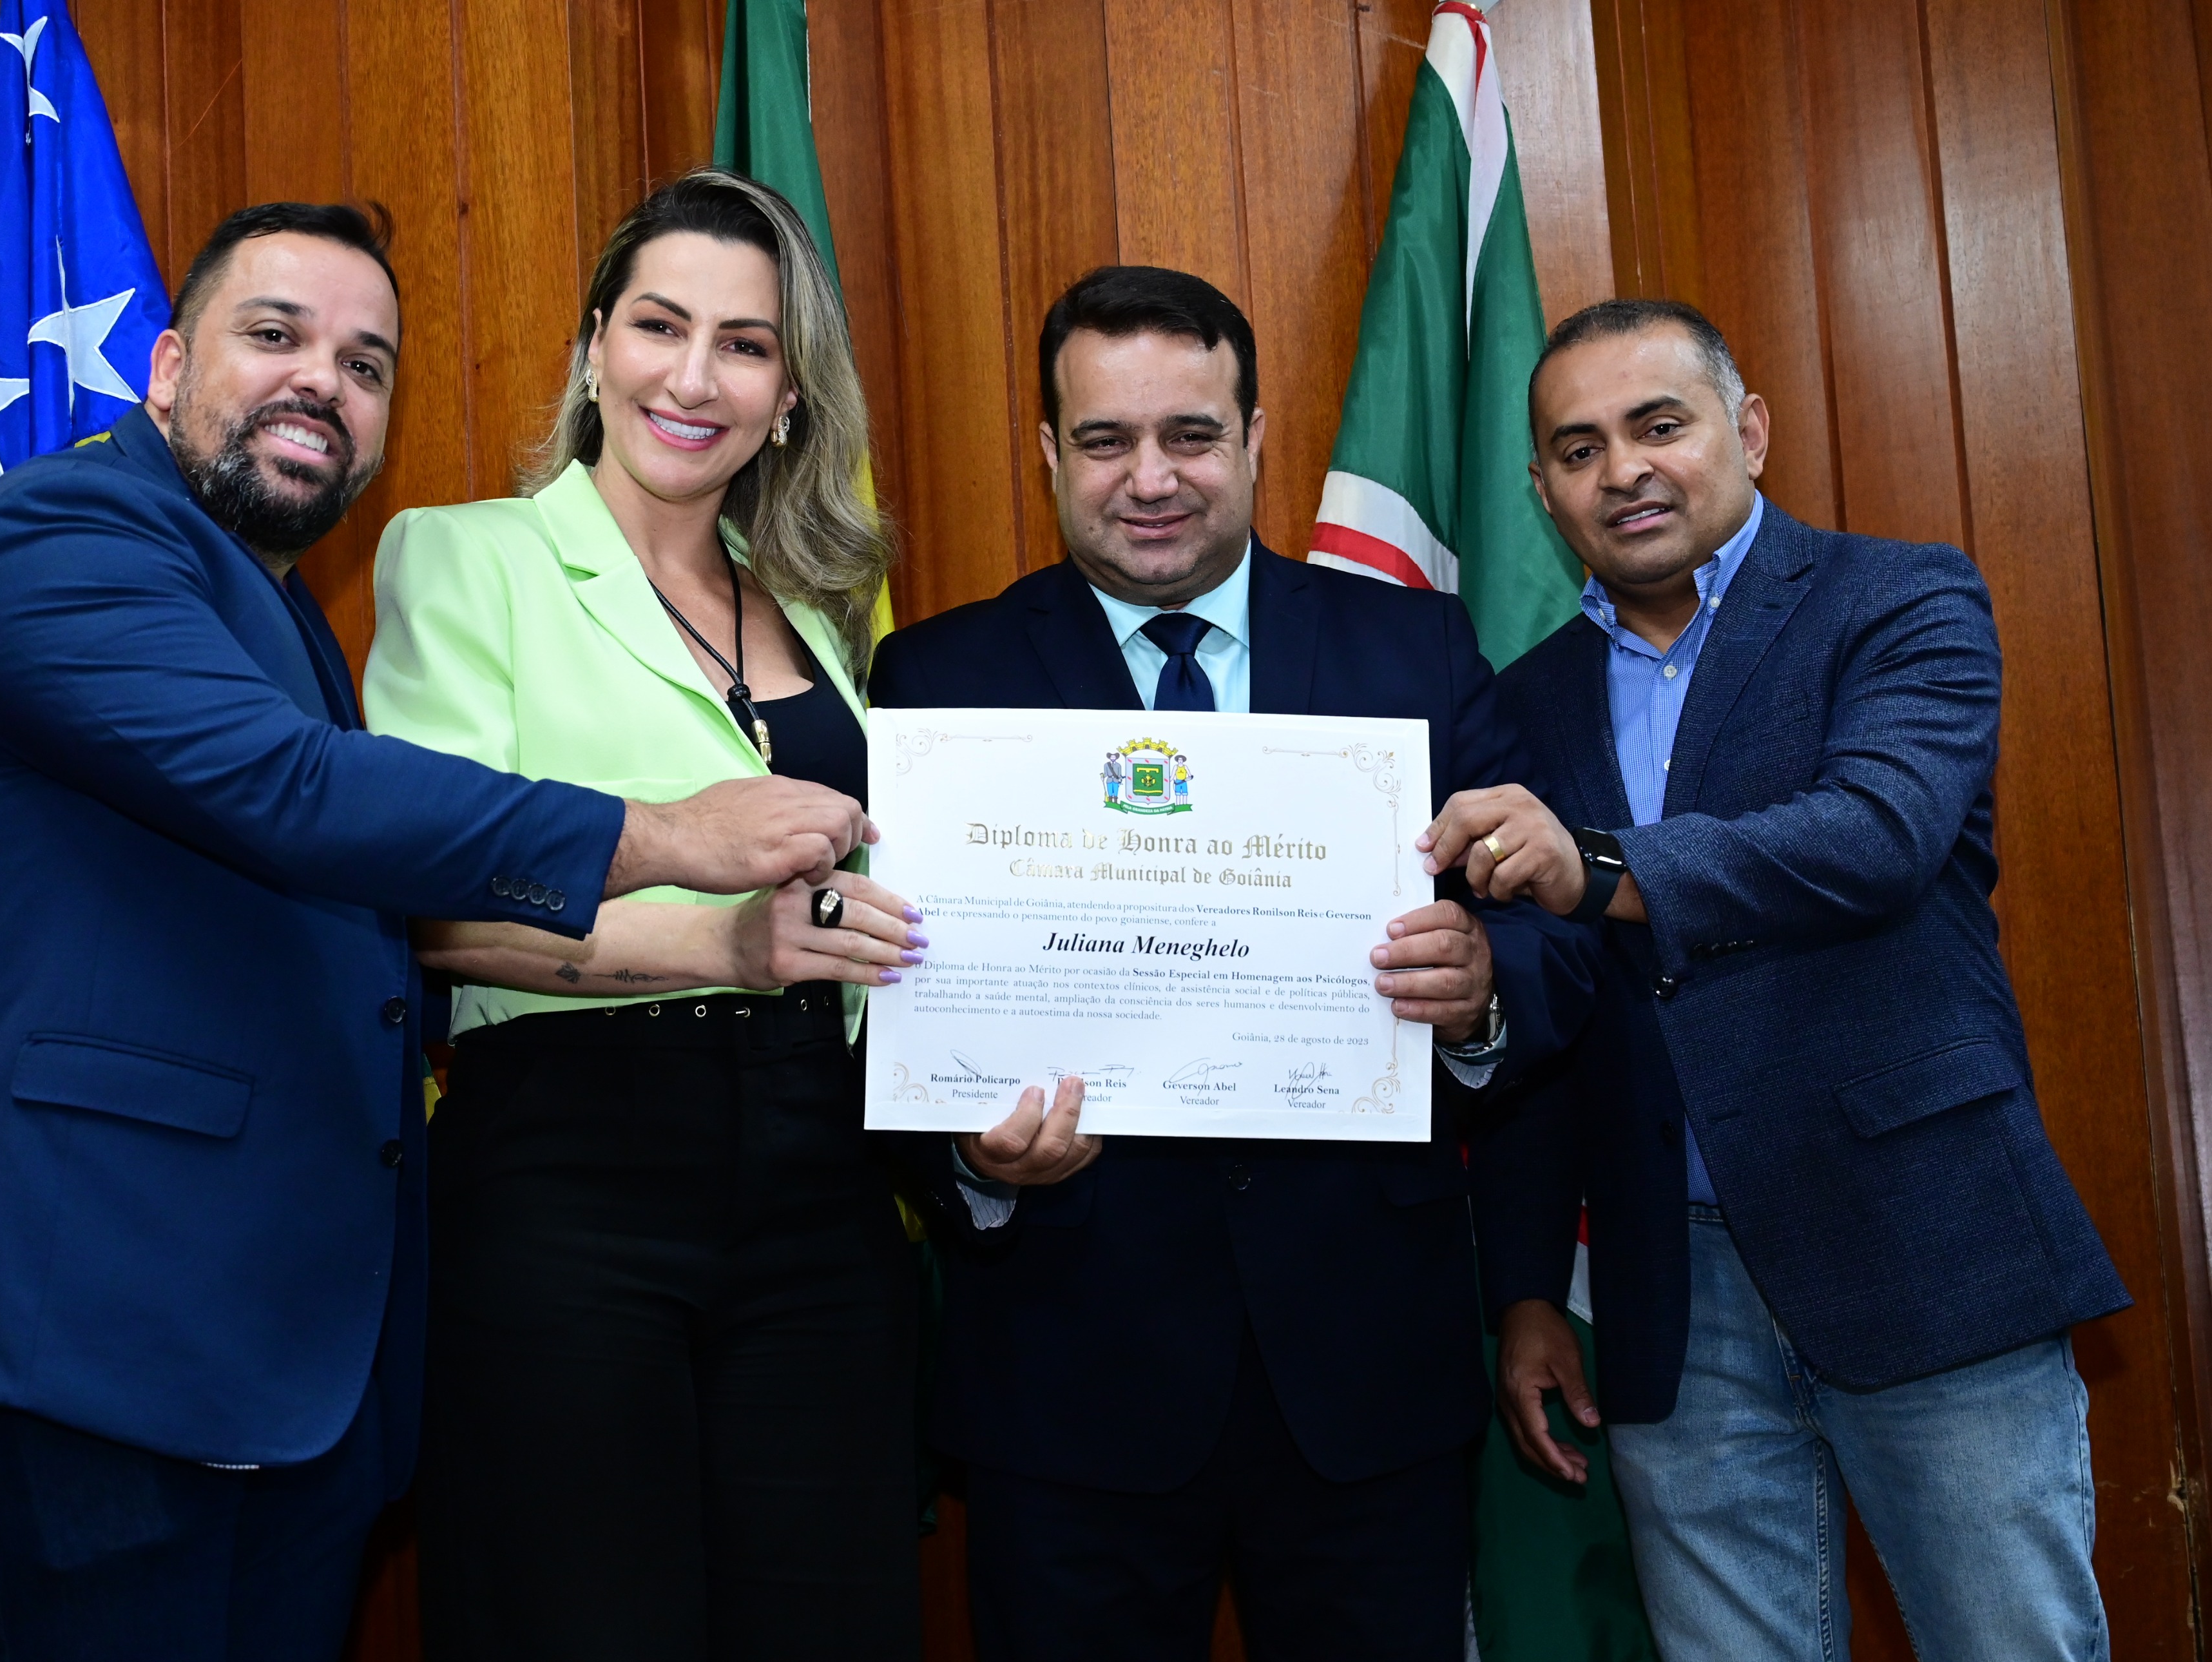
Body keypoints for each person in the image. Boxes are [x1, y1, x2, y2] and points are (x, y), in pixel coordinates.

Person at [0, 202, 870, 1662]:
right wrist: (672, 838)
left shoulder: (279, 612)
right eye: (275, 335)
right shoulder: (66, 532)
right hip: (71, 1328)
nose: (323, 379)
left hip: (269, 1364)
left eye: (366, 365)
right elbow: (296, 793)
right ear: (166, 367)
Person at [869, 265, 1597, 1661]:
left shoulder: (1414, 650)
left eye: (1191, 435)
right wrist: (970, 1157)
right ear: (1048, 451)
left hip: (1366, 1378)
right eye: (1105, 440)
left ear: (1256, 437)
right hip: (1067, 1380)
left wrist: (1482, 992)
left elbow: (1553, 939)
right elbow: (877, 998)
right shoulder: (937, 681)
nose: (1150, 479)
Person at [1444, 298, 2128, 1661]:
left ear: (1747, 431)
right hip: (1667, 1285)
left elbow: (1875, 837)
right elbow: (1550, 1005)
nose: (1622, 470)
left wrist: (1597, 863)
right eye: (1578, 450)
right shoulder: (1520, 701)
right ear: (1541, 491)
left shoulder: (1900, 599)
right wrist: (1525, 1286)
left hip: (1917, 1237)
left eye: (1659, 425)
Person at [360, 169, 918, 1662]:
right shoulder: (465, 557)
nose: (694, 376)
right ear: (594, 347)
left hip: (827, 1186)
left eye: (745, 345)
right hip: (568, 1180)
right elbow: (437, 906)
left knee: (834, 1619)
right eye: (660, 326)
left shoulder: (819, 608)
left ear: (788, 397)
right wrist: (722, 942)